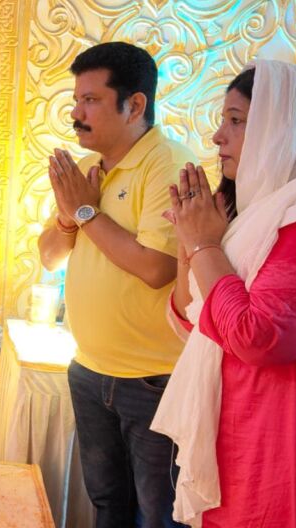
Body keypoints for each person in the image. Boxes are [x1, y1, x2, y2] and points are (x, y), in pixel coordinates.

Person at [152, 61, 296, 527]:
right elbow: (189, 321)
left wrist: (204, 246)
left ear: (284, 129)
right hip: (245, 434)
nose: (218, 136)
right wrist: (190, 242)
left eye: (236, 120)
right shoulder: (258, 211)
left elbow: (261, 337)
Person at [36, 42, 191, 528]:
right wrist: (70, 217)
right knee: (108, 505)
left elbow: (157, 268)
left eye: (91, 100)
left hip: (151, 380)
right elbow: (49, 257)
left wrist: (85, 212)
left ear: (135, 104)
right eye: (76, 100)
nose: (76, 114)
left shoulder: (167, 164)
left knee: (156, 516)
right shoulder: (90, 173)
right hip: (89, 369)